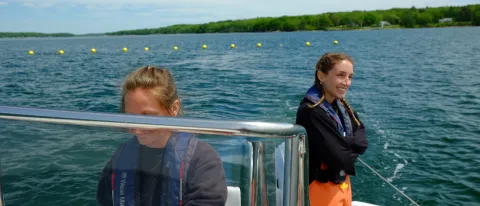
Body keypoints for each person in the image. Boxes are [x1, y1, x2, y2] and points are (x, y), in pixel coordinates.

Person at [96, 66, 227, 206]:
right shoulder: (119, 158)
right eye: (130, 117)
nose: (137, 129)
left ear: (174, 108)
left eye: (148, 117)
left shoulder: (203, 161)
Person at [296, 53, 368, 206]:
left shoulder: (342, 108)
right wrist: (349, 145)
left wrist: (343, 143)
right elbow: (342, 159)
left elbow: (362, 140)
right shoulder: (311, 111)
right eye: (341, 75)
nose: (347, 82)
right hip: (319, 190)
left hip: (343, 187)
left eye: (350, 77)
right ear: (321, 76)